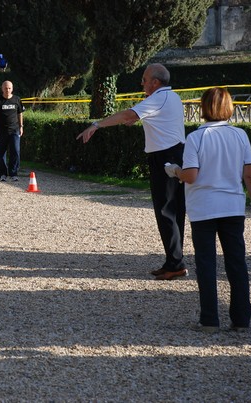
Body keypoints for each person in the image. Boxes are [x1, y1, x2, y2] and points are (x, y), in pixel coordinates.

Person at [164, 87, 251, 332]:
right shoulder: (240, 135)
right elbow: (249, 174)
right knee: (236, 263)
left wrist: (174, 171)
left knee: (207, 263)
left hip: (204, 208)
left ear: (203, 108)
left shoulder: (196, 138)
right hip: (232, 206)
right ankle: (242, 318)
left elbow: (190, 175)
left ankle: (210, 318)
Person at [77, 63, 187, 280]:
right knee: (174, 211)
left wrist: (96, 125)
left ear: (156, 82)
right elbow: (141, 117)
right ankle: (174, 259)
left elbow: (128, 114)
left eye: (145, 79)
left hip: (166, 158)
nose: (142, 83)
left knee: (166, 211)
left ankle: (175, 263)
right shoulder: (170, 97)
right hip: (172, 154)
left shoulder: (158, 98)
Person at [0, 80, 25, 181]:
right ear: (2, 88)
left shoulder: (17, 100)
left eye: (9, 88)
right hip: (0, 131)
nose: (7, 90)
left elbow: (20, 113)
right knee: (0, 154)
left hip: (14, 130)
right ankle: (3, 173)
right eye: (5, 88)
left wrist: (21, 126)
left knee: (16, 152)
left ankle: (14, 173)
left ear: (12, 89)